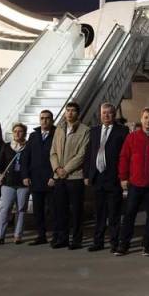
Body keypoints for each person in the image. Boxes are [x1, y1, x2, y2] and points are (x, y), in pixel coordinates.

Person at [84, 103, 129, 252]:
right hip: (97, 177)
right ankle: (98, 242)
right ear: (100, 114)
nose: (106, 116)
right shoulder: (94, 131)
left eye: (109, 113)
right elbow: (89, 153)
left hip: (113, 178)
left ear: (114, 115)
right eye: (104, 113)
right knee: (99, 213)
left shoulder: (122, 131)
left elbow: (125, 155)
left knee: (114, 213)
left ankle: (114, 242)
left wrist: (123, 176)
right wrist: (87, 174)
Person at [119, 108, 149, 256]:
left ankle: (147, 246)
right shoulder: (132, 137)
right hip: (135, 184)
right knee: (129, 215)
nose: (148, 121)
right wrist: (123, 177)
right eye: (146, 117)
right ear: (141, 119)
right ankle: (124, 245)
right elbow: (124, 157)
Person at [49, 101, 90, 249]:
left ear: (78, 113)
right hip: (59, 177)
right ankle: (62, 238)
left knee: (76, 210)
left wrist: (66, 169)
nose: (70, 113)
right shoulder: (59, 129)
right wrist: (57, 169)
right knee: (61, 210)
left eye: (73, 110)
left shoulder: (85, 130)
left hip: (75, 177)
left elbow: (82, 154)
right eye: (68, 110)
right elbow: (53, 151)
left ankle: (76, 240)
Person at [0, 123, 31, 245]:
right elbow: (0, 163)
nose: (17, 133)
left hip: (23, 183)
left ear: (24, 133)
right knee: (5, 208)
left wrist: (28, 177)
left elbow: (32, 164)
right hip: (8, 182)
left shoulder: (29, 147)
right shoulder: (6, 146)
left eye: (20, 131)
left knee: (21, 209)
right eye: (15, 131)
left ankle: (18, 235)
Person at [26, 110, 56, 246]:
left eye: (47, 118)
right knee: (38, 210)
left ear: (52, 120)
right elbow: (27, 156)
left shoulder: (57, 134)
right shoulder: (33, 136)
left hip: (51, 180)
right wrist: (26, 175)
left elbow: (60, 157)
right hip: (36, 179)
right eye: (42, 118)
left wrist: (54, 176)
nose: (44, 121)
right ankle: (41, 235)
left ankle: (56, 235)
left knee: (54, 210)